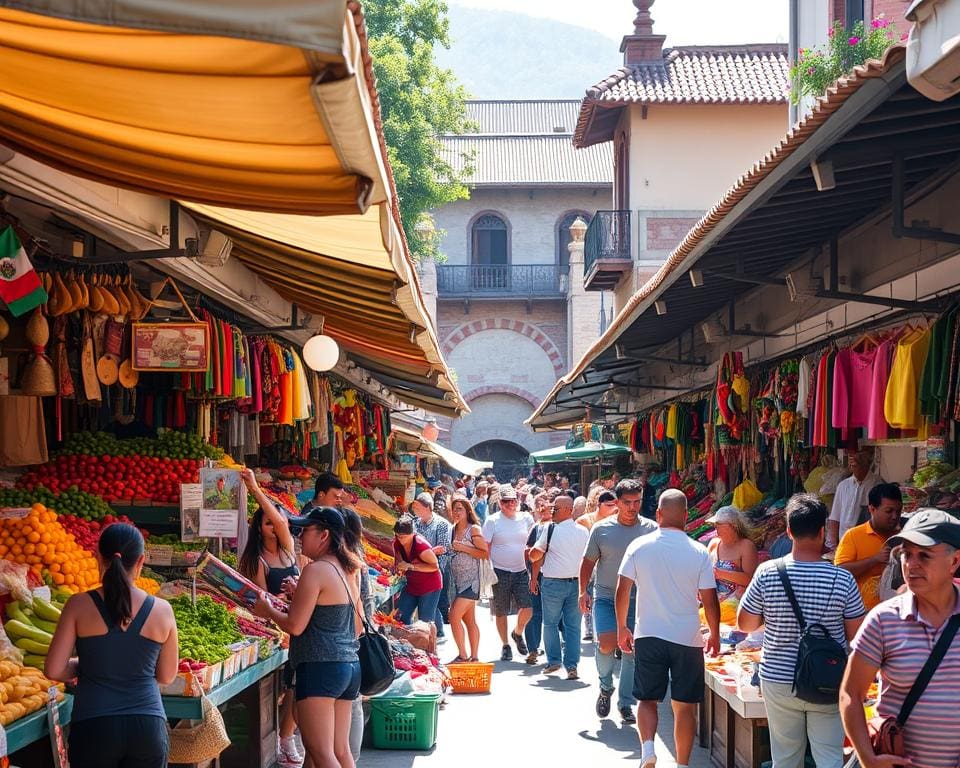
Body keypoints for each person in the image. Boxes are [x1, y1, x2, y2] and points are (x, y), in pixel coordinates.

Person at [737, 494, 866, 768]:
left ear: (788, 531)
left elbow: (745, 624)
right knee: (829, 758)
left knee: (785, 758)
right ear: (822, 531)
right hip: (828, 678)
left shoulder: (767, 572)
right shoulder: (842, 578)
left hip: (778, 678)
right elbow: (857, 635)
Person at [46, 523, 178, 768]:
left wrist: (85, 665)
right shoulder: (162, 610)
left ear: (98, 557)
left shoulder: (78, 605)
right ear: (140, 561)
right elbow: (167, 676)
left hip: (94, 726)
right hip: (147, 728)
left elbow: (53, 670)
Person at [840, 509, 960, 768]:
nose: (911, 564)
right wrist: (867, 758)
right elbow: (850, 694)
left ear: (954, 561)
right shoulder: (884, 620)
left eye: (924, 555)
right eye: (906, 554)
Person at [616, 488, 720, 768]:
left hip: (649, 633)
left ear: (658, 514)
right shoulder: (699, 551)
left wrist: (621, 628)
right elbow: (710, 600)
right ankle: (682, 764)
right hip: (688, 637)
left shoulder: (639, 546)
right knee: (684, 706)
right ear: (686, 516)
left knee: (647, 699)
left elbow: (622, 589)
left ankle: (648, 749)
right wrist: (716, 634)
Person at [253, 507, 364, 768]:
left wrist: (267, 609)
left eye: (306, 530)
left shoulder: (316, 570)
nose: (300, 536)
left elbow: (295, 626)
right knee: (339, 751)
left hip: (321, 667)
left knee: (321, 753)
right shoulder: (347, 569)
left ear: (324, 535)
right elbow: (352, 624)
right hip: (348, 666)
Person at [239, 470, 302, 766]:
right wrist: (252, 488)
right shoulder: (256, 560)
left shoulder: (289, 551)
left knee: (296, 686)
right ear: (259, 529)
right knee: (291, 686)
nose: (275, 527)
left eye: (277, 523)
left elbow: (281, 520)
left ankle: (286, 736)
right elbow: (259, 602)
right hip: (277, 627)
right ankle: (283, 737)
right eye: (268, 523)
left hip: (299, 623)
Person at [581, 478, 658, 724]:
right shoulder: (601, 529)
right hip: (605, 595)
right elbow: (588, 562)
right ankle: (605, 687)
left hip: (638, 598)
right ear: (617, 502)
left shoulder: (651, 529)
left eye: (637, 502)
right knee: (606, 643)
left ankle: (626, 703)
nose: (632, 507)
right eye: (627, 502)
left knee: (630, 650)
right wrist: (582, 591)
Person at [529, 495, 589, 679]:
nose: (552, 511)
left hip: (554, 583)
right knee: (573, 627)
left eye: (556, 508)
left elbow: (534, 555)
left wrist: (533, 556)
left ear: (569, 510)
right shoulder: (583, 531)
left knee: (551, 623)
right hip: (576, 584)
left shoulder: (549, 528)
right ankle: (571, 666)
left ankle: (555, 661)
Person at [482, 483, 534, 661]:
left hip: (521, 570)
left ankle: (517, 633)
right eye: (506, 501)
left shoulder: (526, 518)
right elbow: (486, 546)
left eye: (513, 500)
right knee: (501, 610)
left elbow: (533, 542)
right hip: (499, 570)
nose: (511, 504)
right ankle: (505, 644)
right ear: (500, 503)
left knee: (528, 607)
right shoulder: (493, 521)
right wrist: (487, 570)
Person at [834, 482, 903, 611]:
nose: (895, 516)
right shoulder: (853, 535)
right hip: (861, 613)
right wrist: (874, 560)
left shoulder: (906, 536)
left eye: (898, 511)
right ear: (872, 509)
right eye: (889, 511)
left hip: (898, 614)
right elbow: (841, 571)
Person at [447, 495, 489, 663]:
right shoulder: (452, 529)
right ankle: (475, 656)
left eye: (460, 509)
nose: (456, 512)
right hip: (457, 581)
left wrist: (463, 547)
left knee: (453, 615)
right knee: (469, 620)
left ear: (467, 511)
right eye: (454, 509)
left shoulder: (474, 530)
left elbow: (484, 553)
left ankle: (463, 655)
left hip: (472, 581)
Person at [410, 491, 453, 639]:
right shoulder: (414, 522)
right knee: (427, 600)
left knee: (431, 600)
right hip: (418, 567)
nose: (415, 511)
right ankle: (437, 629)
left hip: (436, 568)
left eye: (418, 508)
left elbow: (443, 548)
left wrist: (423, 555)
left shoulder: (441, 524)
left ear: (428, 507)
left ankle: (437, 629)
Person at [392, 514, 443, 630]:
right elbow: (399, 560)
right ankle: (406, 641)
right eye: (398, 536)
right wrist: (398, 567)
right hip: (412, 585)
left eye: (404, 537)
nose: (400, 539)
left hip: (429, 585)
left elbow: (435, 566)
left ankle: (429, 644)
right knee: (400, 616)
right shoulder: (397, 543)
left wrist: (411, 566)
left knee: (425, 622)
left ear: (412, 534)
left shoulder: (421, 546)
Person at [827, 448, 881, 548]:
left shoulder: (877, 484)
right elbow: (835, 518)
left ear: (867, 462)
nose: (853, 460)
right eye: (852, 458)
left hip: (867, 543)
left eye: (859, 457)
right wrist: (832, 545)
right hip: (844, 542)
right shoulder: (843, 485)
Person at [705, 505, 758, 602]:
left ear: (733, 525)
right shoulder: (714, 543)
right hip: (712, 602)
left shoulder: (746, 546)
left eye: (719, 524)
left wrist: (720, 573)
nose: (716, 528)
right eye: (715, 525)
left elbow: (751, 580)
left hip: (735, 605)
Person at [523, 496, 554, 664]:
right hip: (540, 575)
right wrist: (531, 576)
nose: (546, 511)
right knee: (535, 613)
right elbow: (529, 552)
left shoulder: (559, 527)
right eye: (542, 508)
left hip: (557, 576)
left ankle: (553, 651)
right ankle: (533, 649)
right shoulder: (537, 528)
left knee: (552, 615)